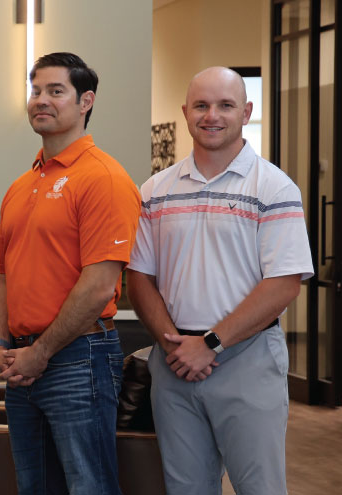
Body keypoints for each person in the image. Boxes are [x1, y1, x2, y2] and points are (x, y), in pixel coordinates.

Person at [128, 67, 312, 495]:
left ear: (246, 112)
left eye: (225, 105)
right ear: (185, 112)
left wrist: (208, 344)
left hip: (247, 359)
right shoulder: (155, 191)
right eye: (202, 105)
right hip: (174, 363)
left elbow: (284, 284)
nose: (212, 115)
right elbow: (139, 277)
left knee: (259, 488)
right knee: (185, 488)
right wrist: (176, 345)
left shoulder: (275, 188)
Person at [0, 52, 141, 495]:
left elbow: (98, 287)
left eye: (56, 91)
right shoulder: (22, 184)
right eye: (36, 91)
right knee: (34, 487)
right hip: (22, 363)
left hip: (79, 359)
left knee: (89, 486)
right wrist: (0, 340)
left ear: (85, 101)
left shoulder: (104, 178)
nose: (41, 100)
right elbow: (0, 274)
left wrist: (42, 351)